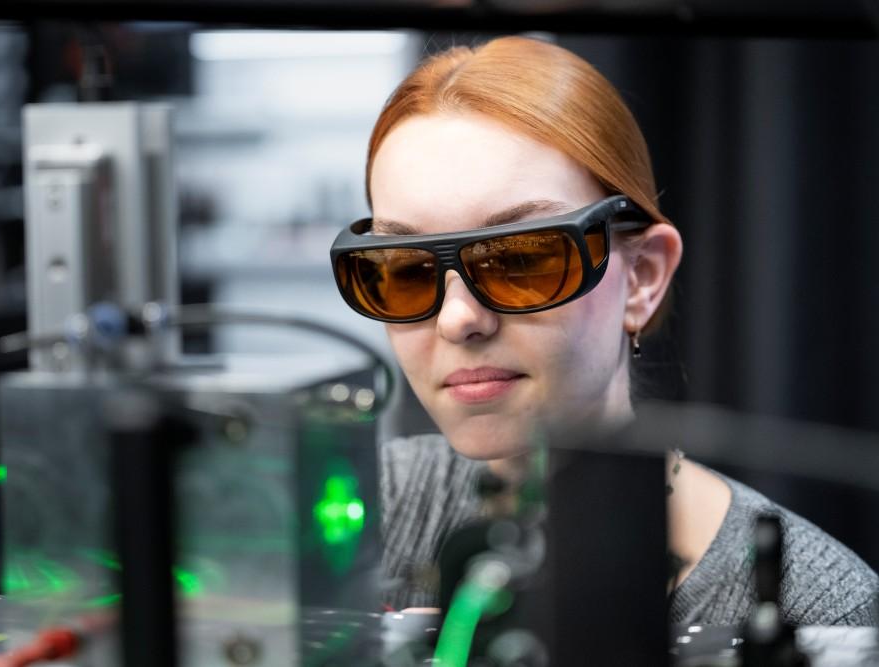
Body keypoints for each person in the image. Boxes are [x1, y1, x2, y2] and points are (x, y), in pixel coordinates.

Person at [329, 35, 879, 624]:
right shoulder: (357, 515)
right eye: (405, 270)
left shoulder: (827, 612)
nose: (458, 319)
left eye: (522, 260)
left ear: (642, 277)